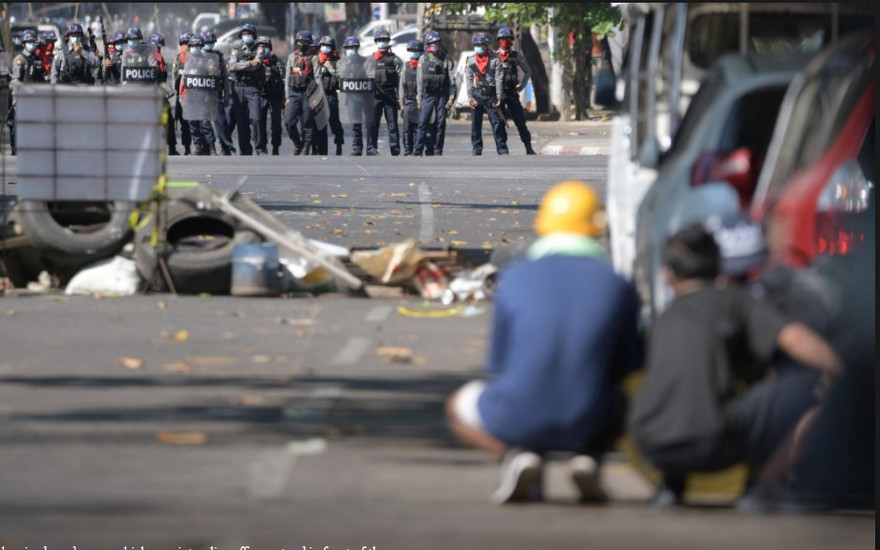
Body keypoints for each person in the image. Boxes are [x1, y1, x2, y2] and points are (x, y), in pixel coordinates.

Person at [446, 181, 643, 504]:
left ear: (544, 226)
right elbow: (628, 367)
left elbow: (499, 364)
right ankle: (590, 456)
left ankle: (516, 455)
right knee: (632, 397)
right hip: (590, 415)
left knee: (457, 405)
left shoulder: (514, 278)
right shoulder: (617, 284)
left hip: (518, 414)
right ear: (598, 228)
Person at [627, 223, 844, 507]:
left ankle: (671, 485)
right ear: (720, 269)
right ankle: (764, 488)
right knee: (817, 393)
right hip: (711, 443)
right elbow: (795, 339)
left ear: (669, 277)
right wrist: (847, 373)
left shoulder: (662, 319)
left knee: (685, 395)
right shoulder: (735, 302)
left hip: (648, 444)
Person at [495, 27, 536, 155]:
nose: (505, 41)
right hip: (498, 95)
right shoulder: (494, 56)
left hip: (512, 93)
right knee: (499, 123)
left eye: (507, 39)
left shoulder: (516, 56)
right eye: (502, 39)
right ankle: (502, 149)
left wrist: (522, 86)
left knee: (520, 121)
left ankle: (528, 147)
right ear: (498, 40)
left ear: (511, 41)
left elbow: (528, 71)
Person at [414, 30, 455, 157]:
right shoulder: (422, 59)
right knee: (423, 123)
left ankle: (438, 150)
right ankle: (418, 150)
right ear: (427, 44)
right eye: (431, 43)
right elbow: (419, 81)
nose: (434, 45)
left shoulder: (446, 59)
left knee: (440, 123)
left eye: (436, 42)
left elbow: (452, 80)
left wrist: (451, 97)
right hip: (427, 95)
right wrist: (419, 100)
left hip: (442, 95)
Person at [465, 32, 508, 156]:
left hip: (491, 95)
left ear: (487, 45)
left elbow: (499, 79)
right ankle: (476, 147)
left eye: (481, 44)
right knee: (475, 123)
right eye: (476, 44)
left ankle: (501, 147)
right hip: (477, 93)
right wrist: (470, 96)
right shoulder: (471, 60)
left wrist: (499, 97)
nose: (478, 46)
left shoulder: (495, 59)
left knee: (497, 123)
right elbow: (468, 79)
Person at [228, 23, 265, 156]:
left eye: (249, 34)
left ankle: (260, 149)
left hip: (253, 88)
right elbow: (232, 66)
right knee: (241, 120)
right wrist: (249, 63)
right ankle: (245, 149)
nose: (246, 36)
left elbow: (257, 65)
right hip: (238, 88)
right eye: (244, 34)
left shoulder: (260, 49)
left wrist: (242, 65)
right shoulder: (236, 49)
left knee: (256, 118)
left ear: (254, 35)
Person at [9, 30, 47, 155]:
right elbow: (15, 81)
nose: (32, 44)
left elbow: (41, 78)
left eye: (33, 42)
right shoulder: (20, 59)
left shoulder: (37, 59)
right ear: (24, 43)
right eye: (29, 42)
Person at [366, 29, 403, 156]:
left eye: (385, 40)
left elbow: (400, 79)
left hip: (390, 96)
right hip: (374, 96)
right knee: (373, 123)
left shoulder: (395, 59)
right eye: (380, 40)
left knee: (392, 124)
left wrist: (400, 99)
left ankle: (395, 149)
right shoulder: (370, 59)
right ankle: (371, 148)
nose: (382, 43)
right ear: (376, 42)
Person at [179, 34, 216, 156]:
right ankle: (199, 146)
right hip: (190, 96)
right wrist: (181, 95)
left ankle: (211, 147)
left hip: (203, 96)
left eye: (198, 46)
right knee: (192, 122)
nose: (195, 48)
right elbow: (183, 79)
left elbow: (213, 77)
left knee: (205, 122)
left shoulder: (208, 60)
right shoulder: (187, 61)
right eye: (193, 46)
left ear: (201, 47)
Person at [284, 30, 317, 156]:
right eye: (300, 41)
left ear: (309, 43)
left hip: (308, 94)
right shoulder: (292, 57)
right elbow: (287, 78)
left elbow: (317, 78)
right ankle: (298, 143)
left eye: (305, 42)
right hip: (294, 92)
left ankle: (306, 147)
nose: (302, 44)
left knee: (307, 122)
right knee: (289, 121)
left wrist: (315, 96)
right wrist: (287, 96)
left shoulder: (313, 59)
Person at [202, 30, 235, 156]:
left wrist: (226, 95)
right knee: (204, 122)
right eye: (207, 42)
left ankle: (225, 147)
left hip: (215, 93)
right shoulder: (198, 56)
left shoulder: (219, 57)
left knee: (221, 121)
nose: (209, 44)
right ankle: (210, 146)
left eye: (211, 42)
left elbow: (225, 78)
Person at [313, 35, 344, 156]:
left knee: (334, 122)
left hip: (331, 95)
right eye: (323, 46)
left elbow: (340, 78)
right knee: (320, 124)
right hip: (318, 94)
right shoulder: (316, 60)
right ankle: (321, 150)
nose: (324, 48)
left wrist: (330, 67)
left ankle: (339, 143)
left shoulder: (338, 61)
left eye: (327, 46)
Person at [255, 36, 284, 156]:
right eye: (261, 46)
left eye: (266, 47)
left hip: (275, 96)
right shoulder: (255, 61)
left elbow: (283, 78)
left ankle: (275, 147)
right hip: (261, 95)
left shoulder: (277, 61)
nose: (263, 49)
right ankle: (262, 147)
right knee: (259, 122)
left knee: (276, 125)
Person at [399, 39, 427, 156]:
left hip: (420, 102)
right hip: (408, 101)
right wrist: (401, 103)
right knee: (407, 128)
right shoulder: (406, 66)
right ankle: (407, 149)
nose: (413, 53)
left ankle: (417, 149)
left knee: (418, 127)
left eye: (415, 50)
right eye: (411, 50)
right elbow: (401, 85)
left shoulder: (424, 65)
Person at [340, 36, 366, 156]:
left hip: (363, 96)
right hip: (351, 97)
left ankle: (371, 147)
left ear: (357, 48)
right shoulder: (343, 62)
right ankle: (357, 147)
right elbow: (340, 77)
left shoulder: (364, 61)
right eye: (349, 47)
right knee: (355, 123)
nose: (351, 49)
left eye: (353, 47)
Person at [171, 33, 192, 155]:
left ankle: (198, 146)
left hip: (193, 94)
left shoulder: (197, 57)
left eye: (187, 44)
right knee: (182, 121)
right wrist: (176, 91)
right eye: (183, 44)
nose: (185, 46)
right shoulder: (178, 58)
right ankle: (185, 147)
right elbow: (174, 75)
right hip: (181, 95)